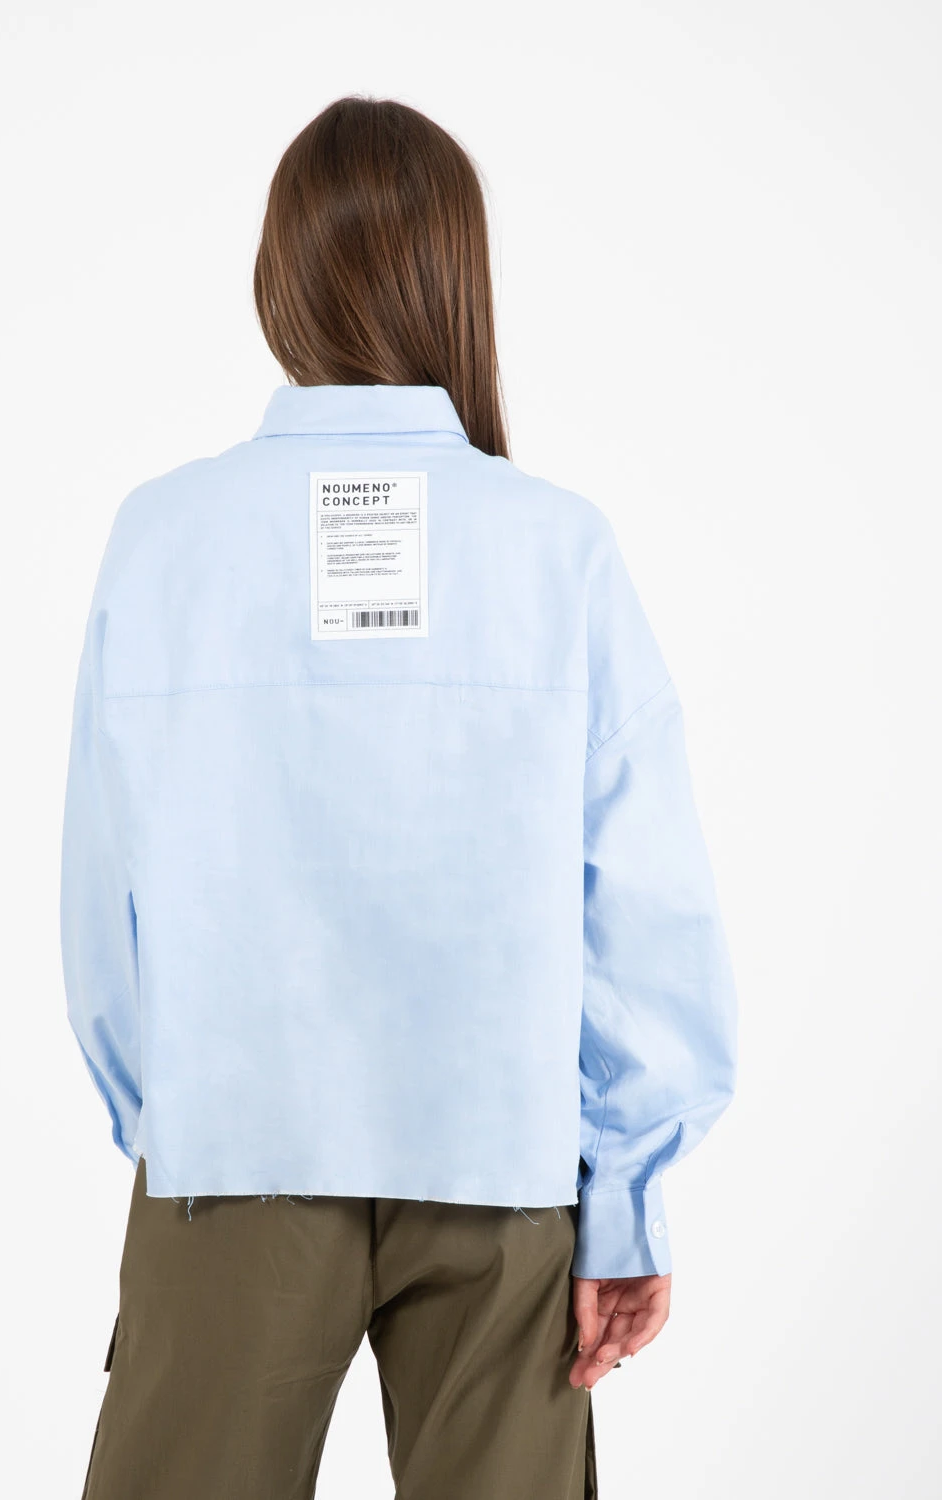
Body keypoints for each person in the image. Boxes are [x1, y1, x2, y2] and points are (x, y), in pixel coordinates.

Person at [60, 94, 738, 1500]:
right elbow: (646, 910)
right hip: (502, 1172)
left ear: (278, 279)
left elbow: (103, 897)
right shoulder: (559, 549)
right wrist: (624, 1194)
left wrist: (171, 1113)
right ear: (457, 280)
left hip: (230, 1158)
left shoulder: (163, 539)